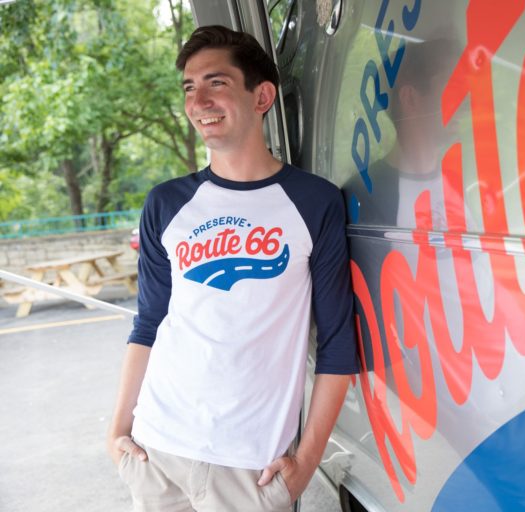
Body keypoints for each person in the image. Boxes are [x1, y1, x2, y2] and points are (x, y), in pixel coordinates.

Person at [106, 25, 359, 512]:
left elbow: (337, 344)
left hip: (249, 467)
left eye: (216, 83)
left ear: (261, 96)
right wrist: (117, 430)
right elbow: (149, 324)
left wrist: (307, 462)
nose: (198, 101)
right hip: (155, 450)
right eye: (189, 87)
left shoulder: (314, 202)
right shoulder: (166, 203)